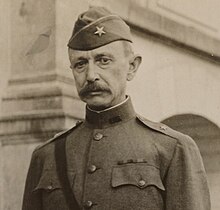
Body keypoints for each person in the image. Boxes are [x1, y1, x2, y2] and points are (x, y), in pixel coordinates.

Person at [22, 6, 211, 210]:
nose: (91, 75)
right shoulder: (46, 155)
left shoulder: (173, 149)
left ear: (132, 67)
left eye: (104, 61)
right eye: (80, 64)